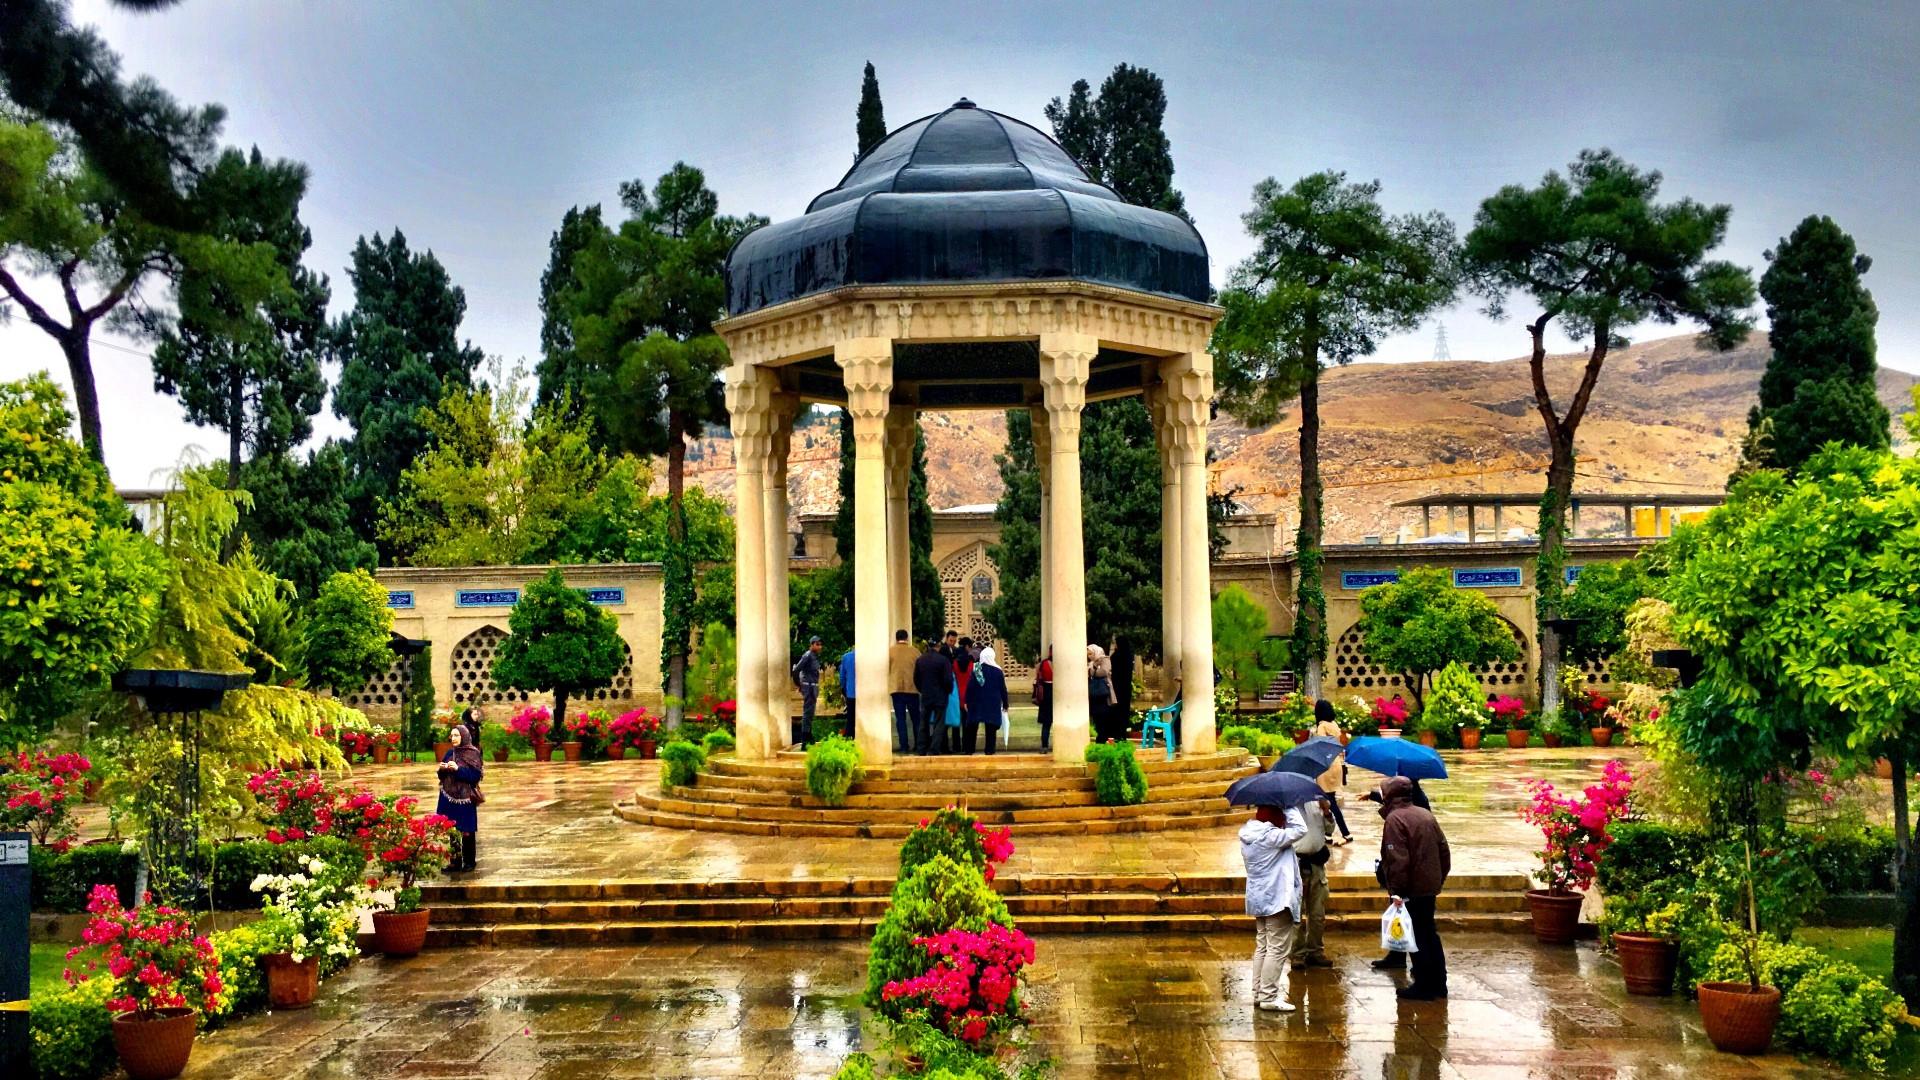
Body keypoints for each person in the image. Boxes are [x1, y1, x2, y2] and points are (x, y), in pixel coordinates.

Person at [1374, 776, 1451, 999]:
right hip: (1429, 886)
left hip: (1411, 889)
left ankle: (1424, 986)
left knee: (1417, 937)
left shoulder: (1395, 820)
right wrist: (1438, 879)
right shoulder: (1425, 815)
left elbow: (1398, 859)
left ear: (1390, 795)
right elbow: (1444, 851)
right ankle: (1439, 983)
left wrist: (1396, 891)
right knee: (1429, 934)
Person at [1239, 802, 1306, 1012]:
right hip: (1277, 898)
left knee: (1263, 945)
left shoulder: (1248, 836)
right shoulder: (1272, 837)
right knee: (1277, 948)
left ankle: (1258, 991)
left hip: (1259, 897)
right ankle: (1268, 995)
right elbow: (1301, 830)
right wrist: (1289, 806)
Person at [1289, 797, 1334, 969]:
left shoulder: (1318, 803)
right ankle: (1297, 954)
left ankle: (1316, 951)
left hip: (1317, 865)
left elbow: (1330, 829)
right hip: (1295, 866)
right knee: (1296, 914)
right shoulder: (1287, 807)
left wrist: (1327, 812)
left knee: (1317, 914)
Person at [437, 724, 484, 873]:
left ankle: (469, 862)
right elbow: (441, 776)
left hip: (465, 798)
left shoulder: (473, 753)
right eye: (452, 735)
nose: (453, 738)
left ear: (464, 736)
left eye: (457, 735)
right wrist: (442, 769)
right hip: (449, 797)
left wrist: (458, 769)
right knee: (453, 831)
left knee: (467, 830)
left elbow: (475, 776)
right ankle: (455, 862)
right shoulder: (450, 753)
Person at [1312, 700, 1355, 845]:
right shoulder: (1334, 725)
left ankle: (1345, 833)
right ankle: (1329, 834)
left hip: (1326, 766)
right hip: (1336, 764)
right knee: (1327, 798)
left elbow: (1321, 745)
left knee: (1329, 801)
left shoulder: (1322, 726)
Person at [913, 639, 953, 757]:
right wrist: (947, 691)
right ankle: (934, 748)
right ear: (938, 646)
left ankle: (921, 748)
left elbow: (916, 679)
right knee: (939, 723)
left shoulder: (920, 660)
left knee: (923, 723)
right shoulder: (943, 660)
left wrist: (922, 690)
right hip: (940, 696)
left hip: (926, 695)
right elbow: (948, 680)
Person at [973, 646, 1010, 756]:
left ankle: (969, 749)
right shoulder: (998, 671)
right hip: (993, 703)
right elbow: (1003, 689)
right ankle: (989, 750)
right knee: (991, 728)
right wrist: (1005, 703)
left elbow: (973, 686)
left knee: (975, 725)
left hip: (979, 702)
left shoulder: (977, 668)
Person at [888, 629, 920, 754]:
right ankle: (918, 745)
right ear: (907, 638)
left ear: (896, 638)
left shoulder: (890, 652)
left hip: (896, 690)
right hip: (912, 689)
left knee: (900, 719)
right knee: (915, 719)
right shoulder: (915, 652)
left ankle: (904, 746)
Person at [791, 636, 824, 748]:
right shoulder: (807, 655)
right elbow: (796, 670)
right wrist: (799, 684)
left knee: (810, 713)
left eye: (820, 644)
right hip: (808, 687)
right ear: (812, 644)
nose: (820, 646)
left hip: (813, 687)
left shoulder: (814, 657)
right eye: (817, 644)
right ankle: (805, 740)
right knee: (807, 713)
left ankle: (809, 736)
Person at [1087, 644, 1118, 742]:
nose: (1089, 656)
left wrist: (1092, 672)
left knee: (1103, 716)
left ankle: (1102, 738)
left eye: (1091, 653)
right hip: (1095, 695)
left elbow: (1104, 671)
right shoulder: (1091, 663)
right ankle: (1100, 737)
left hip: (1104, 694)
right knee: (1097, 717)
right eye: (1088, 654)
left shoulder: (1105, 659)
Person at [953, 637, 978, 753]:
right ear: (968, 647)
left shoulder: (954, 663)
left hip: (957, 696)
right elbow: (979, 681)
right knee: (968, 724)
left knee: (957, 723)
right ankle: (968, 748)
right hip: (970, 697)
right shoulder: (973, 664)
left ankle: (956, 747)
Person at [1112, 637, 1136, 736]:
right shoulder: (1129, 655)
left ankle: (1116, 733)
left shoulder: (1116, 655)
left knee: (1116, 710)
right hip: (1126, 687)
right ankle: (1122, 734)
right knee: (1124, 711)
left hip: (1116, 687)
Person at [1033, 646, 1054, 752]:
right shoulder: (1063, 663)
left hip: (1046, 694)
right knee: (1048, 722)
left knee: (1046, 723)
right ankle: (1046, 745)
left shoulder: (1042, 664)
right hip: (1056, 694)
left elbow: (1037, 677)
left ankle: (1044, 746)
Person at [838, 646, 857, 738]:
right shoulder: (867, 657)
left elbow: (842, 676)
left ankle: (850, 738)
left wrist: (844, 689)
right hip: (865, 694)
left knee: (850, 718)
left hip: (851, 692)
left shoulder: (846, 657)